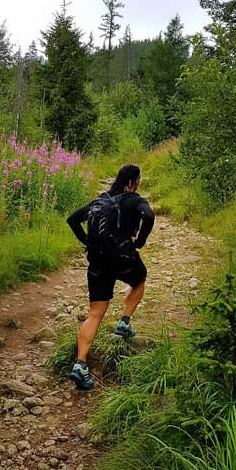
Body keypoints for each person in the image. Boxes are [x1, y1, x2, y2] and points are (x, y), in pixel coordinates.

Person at [66, 164, 155, 390]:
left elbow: (72, 220)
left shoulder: (100, 200)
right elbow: (149, 215)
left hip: (97, 262)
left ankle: (80, 365)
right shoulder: (135, 200)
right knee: (140, 279)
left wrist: (88, 242)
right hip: (123, 261)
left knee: (94, 314)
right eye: (138, 180)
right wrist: (141, 241)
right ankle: (124, 323)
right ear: (133, 181)